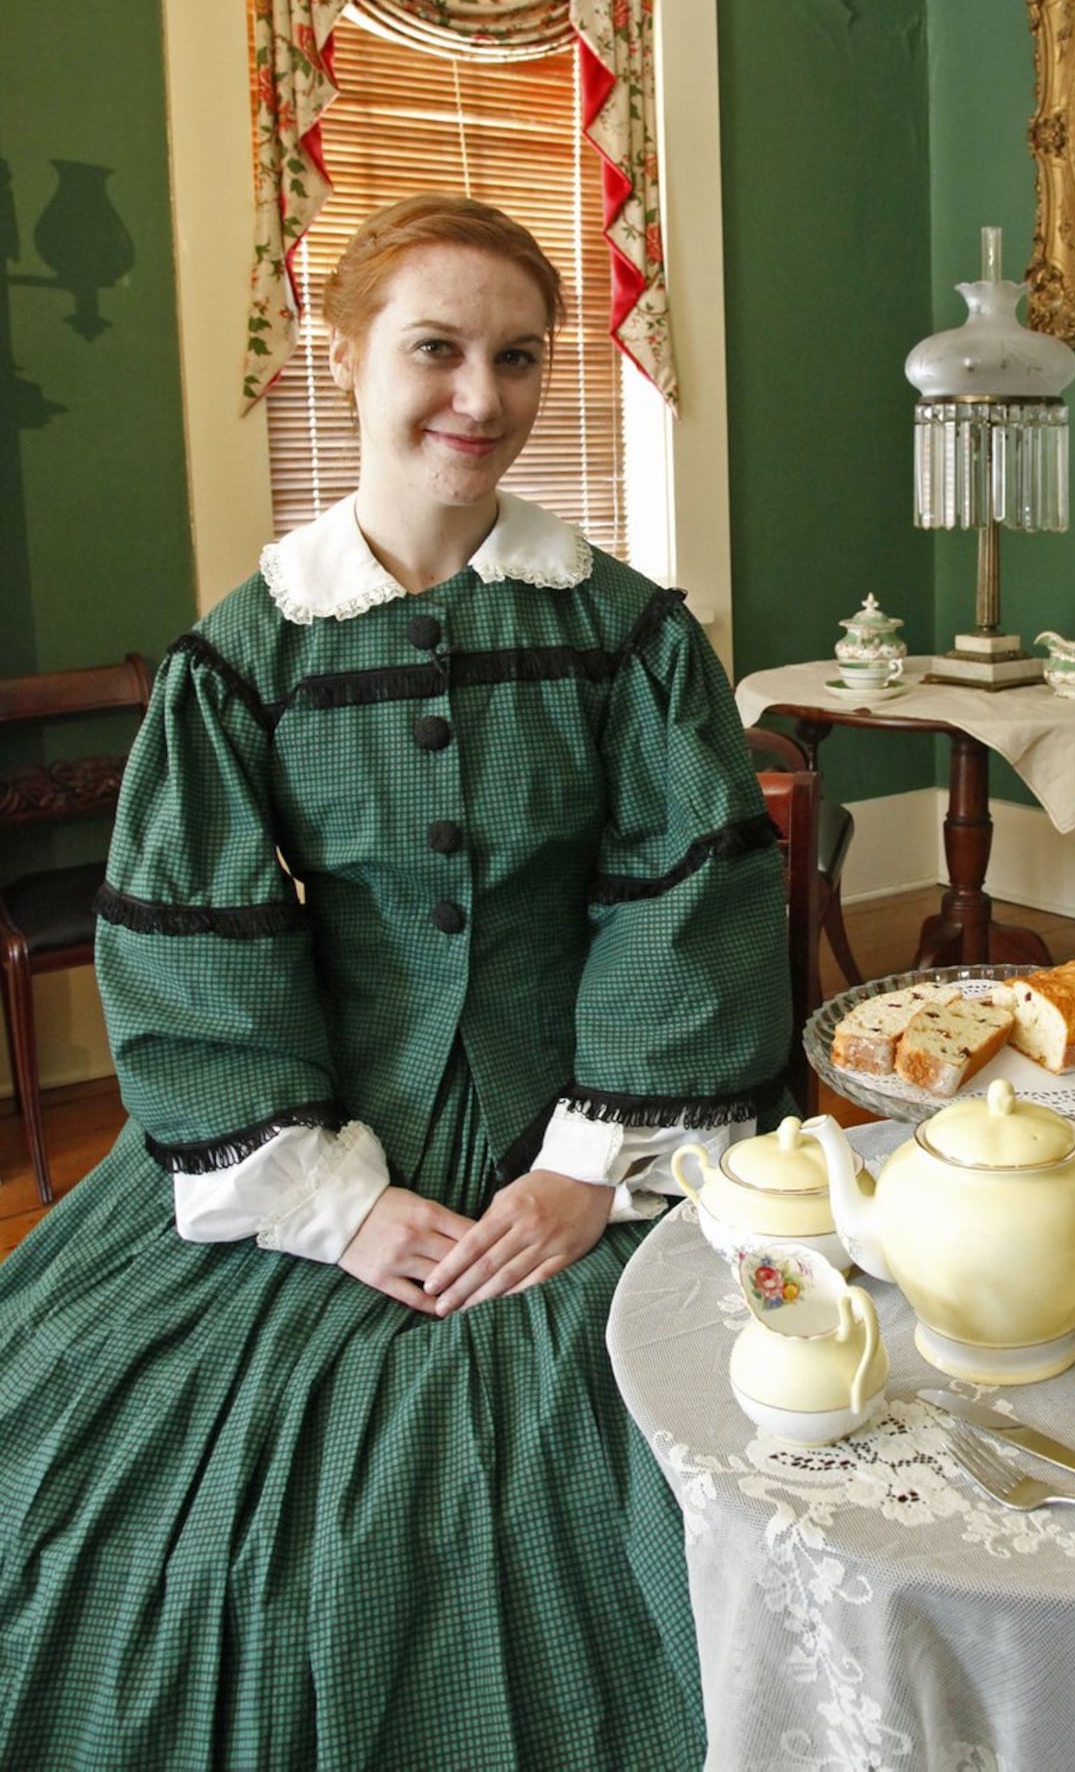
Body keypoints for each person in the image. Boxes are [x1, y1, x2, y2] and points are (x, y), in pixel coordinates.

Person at [0, 195, 791, 1770]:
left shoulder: (627, 637)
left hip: (590, 1122)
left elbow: (687, 894)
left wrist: (585, 1168)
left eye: (518, 356)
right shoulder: (245, 656)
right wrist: (330, 1200)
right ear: (343, 352)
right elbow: (192, 937)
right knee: (161, 1519)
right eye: (436, 347)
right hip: (315, 1125)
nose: (479, 397)